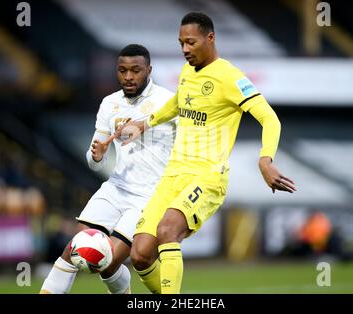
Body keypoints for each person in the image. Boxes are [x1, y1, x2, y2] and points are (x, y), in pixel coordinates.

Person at [115, 12, 296, 294]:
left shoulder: (230, 77)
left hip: (207, 175)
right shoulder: (188, 71)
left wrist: (265, 159)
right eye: (181, 43)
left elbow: (270, 118)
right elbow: (179, 103)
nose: (185, 49)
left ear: (210, 38)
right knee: (139, 254)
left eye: (190, 42)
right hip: (173, 174)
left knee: (167, 231)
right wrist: (145, 123)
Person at [40, 44, 176, 294]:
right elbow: (95, 159)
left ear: (149, 70)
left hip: (148, 196)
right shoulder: (109, 103)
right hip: (116, 188)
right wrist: (97, 155)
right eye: (122, 70)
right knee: (74, 250)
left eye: (135, 70)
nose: (128, 76)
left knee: (108, 260)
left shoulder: (167, 101)